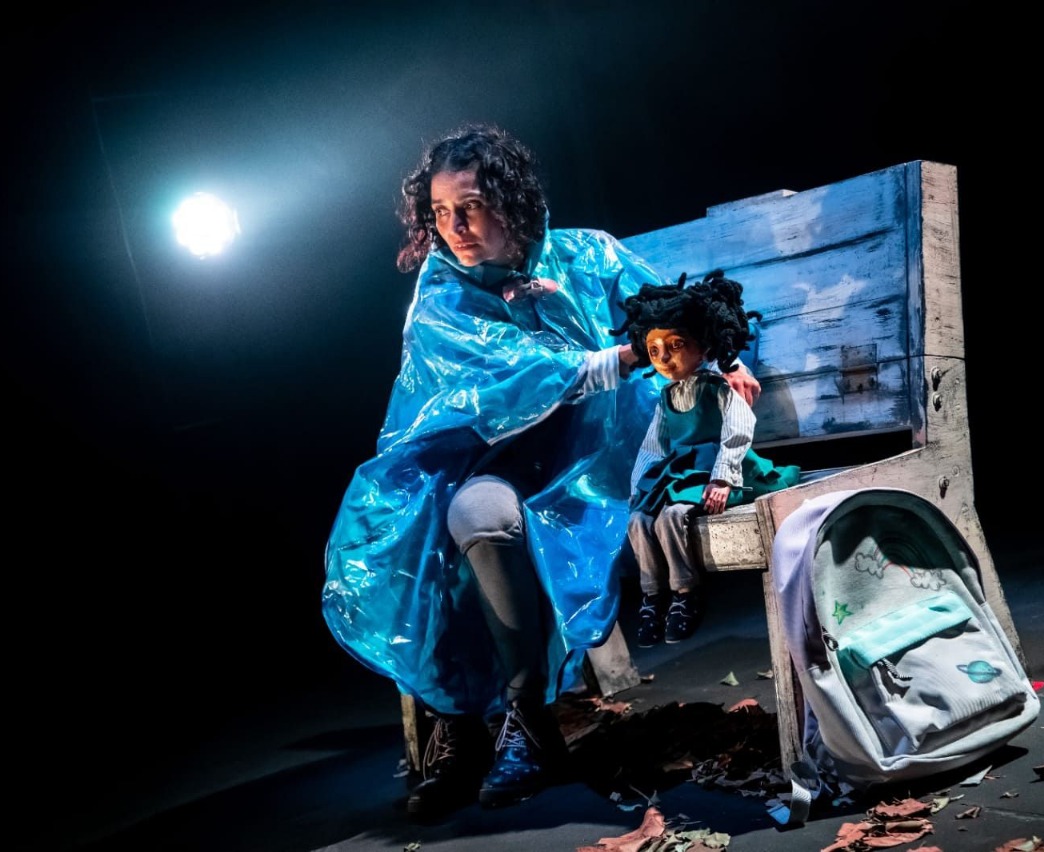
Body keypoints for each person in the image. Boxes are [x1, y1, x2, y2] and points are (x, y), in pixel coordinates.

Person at [321, 124, 761, 819]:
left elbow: (671, 311)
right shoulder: (440, 292)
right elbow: (499, 381)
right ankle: (480, 726)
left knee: (475, 522)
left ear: (511, 201)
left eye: (470, 206)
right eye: (440, 212)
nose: (455, 227)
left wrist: (724, 359)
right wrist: (614, 359)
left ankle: (513, 724)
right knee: (437, 525)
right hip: (483, 463)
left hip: (590, 459)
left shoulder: (585, 254)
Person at [611, 270, 802, 647]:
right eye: (654, 351)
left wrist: (722, 478)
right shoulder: (666, 398)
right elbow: (653, 447)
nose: (665, 358)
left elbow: (738, 428)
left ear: (703, 346)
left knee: (673, 516)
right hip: (681, 473)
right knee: (638, 520)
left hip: (715, 469)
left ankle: (686, 592)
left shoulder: (718, 388)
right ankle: (652, 595)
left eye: (675, 345)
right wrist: (638, 489)